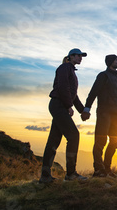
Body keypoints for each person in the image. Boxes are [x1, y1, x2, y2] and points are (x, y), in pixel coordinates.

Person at [39, 48, 89, 183]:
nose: (80, 58)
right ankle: (71, 174)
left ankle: (45, 176)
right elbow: (63, 87)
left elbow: (74, 95)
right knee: (73, 135)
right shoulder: (64, 68)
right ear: (71, 57)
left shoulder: (70, 70)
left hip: (59, 105)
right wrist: (68, 106)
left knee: (54, 140)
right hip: (58, 105)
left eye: (81, 56)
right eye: (78, 55)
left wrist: (82, 110)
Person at [81, 54, 117, 178]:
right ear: (111, 62)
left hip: (116, 114)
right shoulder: (103, 76)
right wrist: (86, 108)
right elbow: (93, 92)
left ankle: (107, 168)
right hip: (104, 113)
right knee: (100, 142)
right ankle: (98, 170)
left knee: (115, 142)